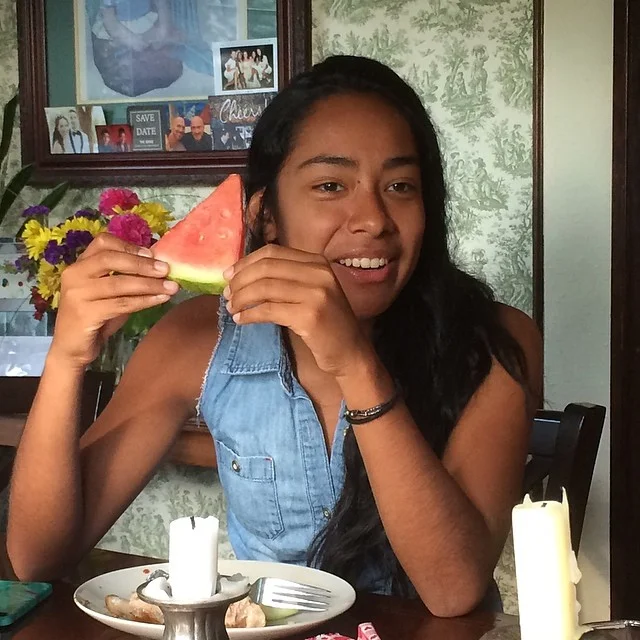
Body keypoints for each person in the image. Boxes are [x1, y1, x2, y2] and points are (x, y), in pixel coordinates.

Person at [7, 56, 541, 617]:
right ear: (265, 215)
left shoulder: (497, 342)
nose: (374, 220)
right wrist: (66, 357)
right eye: (331, 185)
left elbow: (454, 591)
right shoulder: (197, 337)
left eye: (400, 185)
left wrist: (356, 365)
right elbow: (38, 557)